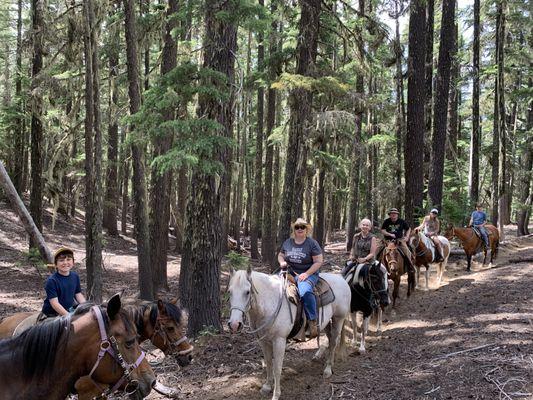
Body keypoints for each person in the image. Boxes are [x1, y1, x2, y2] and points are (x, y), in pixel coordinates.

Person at [278, 218, 323, 339]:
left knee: (305, 292)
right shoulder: (288, 242)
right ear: (294, 229)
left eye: (302, 227)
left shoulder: (312, 243)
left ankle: (312, 321)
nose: (299, 229)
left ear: (306, 229)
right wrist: (282, 262)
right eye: (297, 227)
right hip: (290, 272)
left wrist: (307, 273)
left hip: (308, 273)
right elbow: (281, 255)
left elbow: (318, 261)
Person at [41, 247, 86, 318]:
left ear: (73, 262)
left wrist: (86, 307)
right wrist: (68, 316)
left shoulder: (75, 276)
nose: (65, 263)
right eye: (61, 260)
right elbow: (55, 303)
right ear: (56, 264)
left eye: (68, 259)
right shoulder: (52, 281)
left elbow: (78, 294)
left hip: (69, 310)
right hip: (52, 313)